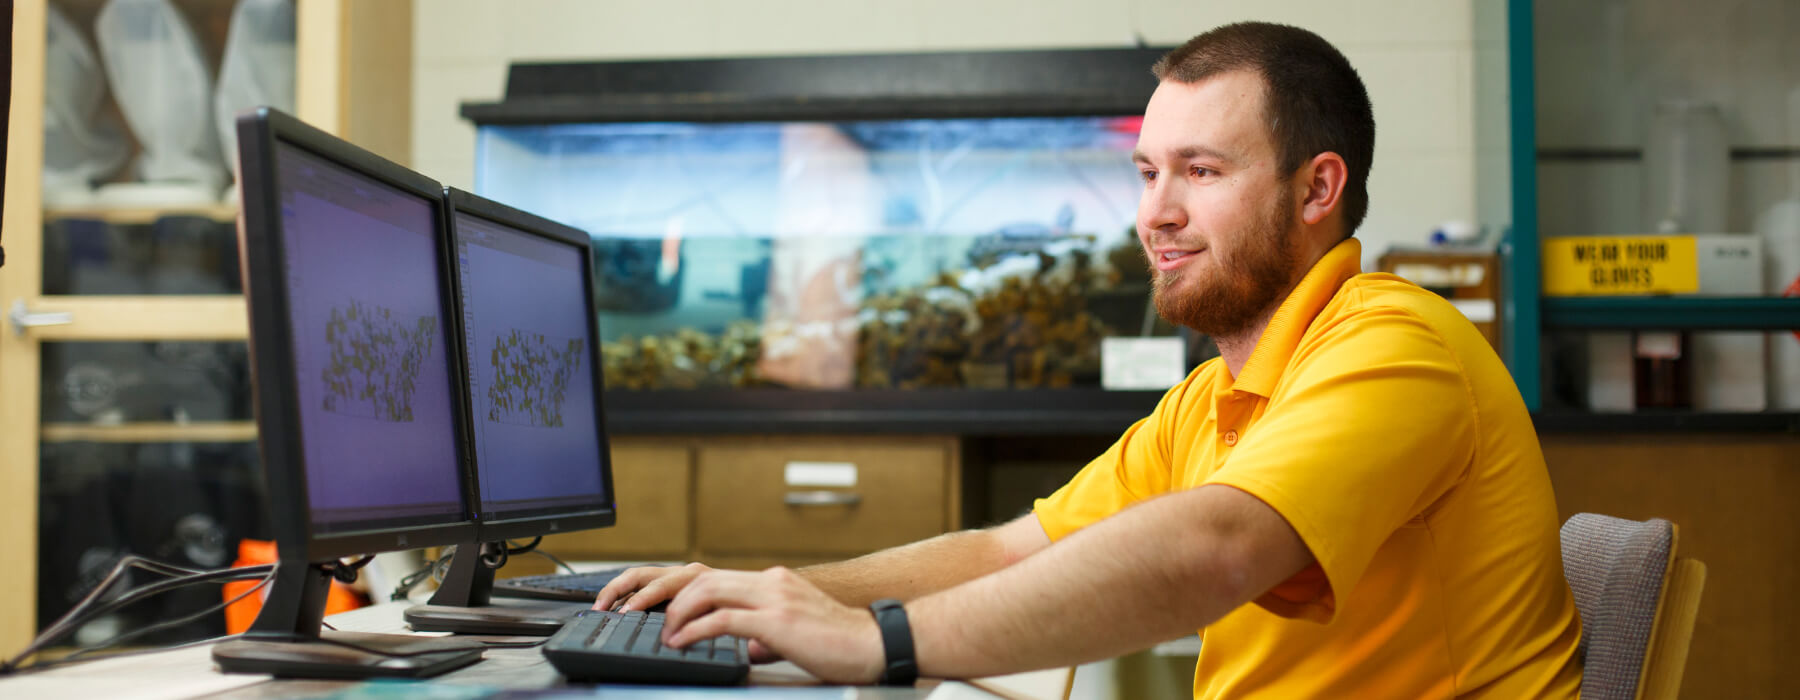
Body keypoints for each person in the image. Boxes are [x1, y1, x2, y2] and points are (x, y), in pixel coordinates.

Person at [594, 21, 1583, 698]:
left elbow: (1220, 544)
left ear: (1317, 186)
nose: (1154, 212)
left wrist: (877, 644)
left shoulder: (1396, 345)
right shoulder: (1213, 401)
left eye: (1201, 172)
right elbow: (1007, 550)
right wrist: (783, 593)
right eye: (1148, 173)